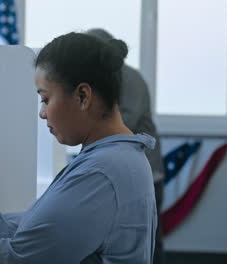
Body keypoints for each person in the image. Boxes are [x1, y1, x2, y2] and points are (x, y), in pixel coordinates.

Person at [0, 32, 157, 264]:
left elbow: (20, 259)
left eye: (45, 99)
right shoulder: (115, 157)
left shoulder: (102, 172)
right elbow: (39, 226)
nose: (42, 113)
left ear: (83, 96)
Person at [85, 28, 166, 264]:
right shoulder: (108, 77)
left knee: (148, 242)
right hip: (129, 169)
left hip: (146, 172)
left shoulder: (128, 78)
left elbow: (122, 123)